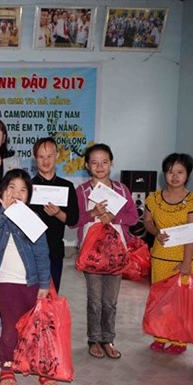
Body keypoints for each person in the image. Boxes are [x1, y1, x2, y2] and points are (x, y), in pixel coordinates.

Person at [0, 169, 53, 385]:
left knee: (35, 327)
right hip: (6, 281)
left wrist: (45, 284)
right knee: (10, 326)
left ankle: (39, 365)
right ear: (2, 191)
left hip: (33, 281)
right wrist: (4, 212)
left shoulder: (32, 218)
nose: (17, 194)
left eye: (23, 190)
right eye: (11, 188)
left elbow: (42, 252)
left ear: (29, 195)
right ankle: (7, 365)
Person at [71, 143, 138, 360]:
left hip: (116, 252)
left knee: (110, 300)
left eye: (104, 162)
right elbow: (74, 222)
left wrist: (114, 217)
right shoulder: (81, 191)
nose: (100, 166)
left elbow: (133, 217)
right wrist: (92, 214)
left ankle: (108, 339)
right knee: (95, 299)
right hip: (92, 252)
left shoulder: (121, 190)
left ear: (111, 164)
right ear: (87, 166)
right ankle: (93, 339)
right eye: (94, 162)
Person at [143, 153, 193, 355]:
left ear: (187, 175)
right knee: (160, 299)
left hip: (184, 259)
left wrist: (186, 263)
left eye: (180, 172)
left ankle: (179, 339)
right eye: (170, 172)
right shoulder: (153, 199)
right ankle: (160, 336)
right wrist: (156, 233)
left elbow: (191, 234)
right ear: (164, 174)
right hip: (161, 258)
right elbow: (148, 223)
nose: (174, 176)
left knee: (181, 301)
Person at [29, 138, 79, 293]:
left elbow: (73, 219)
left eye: (49, 156)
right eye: (41, 157)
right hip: (30, 250)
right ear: (35, 158)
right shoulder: (28, 187)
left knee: (51, 294)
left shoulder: (67, 186)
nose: (45, 161)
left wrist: (58, 213)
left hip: (54, 250)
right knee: (31, 295)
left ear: (57, 156)